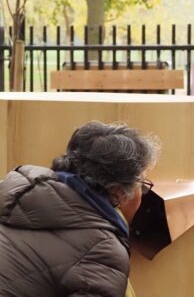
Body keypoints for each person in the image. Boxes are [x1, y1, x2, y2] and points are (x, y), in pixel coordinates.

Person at [0, 121, 159, 297]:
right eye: (142, 185)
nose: (142, 194)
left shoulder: (15, 196)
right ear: (119, 192)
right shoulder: (101, 252)